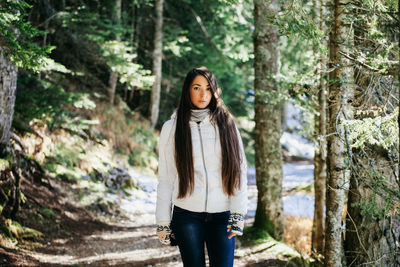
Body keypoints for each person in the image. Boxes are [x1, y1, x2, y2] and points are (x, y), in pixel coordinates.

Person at [155, 66, 248, 267]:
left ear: (214, 91)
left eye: (208, 88)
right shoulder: (172, 128)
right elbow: (166, 177)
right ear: (188, 90)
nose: (203, 94)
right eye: (197, 87)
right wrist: (162, 221)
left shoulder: (226, 124)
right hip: (186, 214)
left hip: (222, 214)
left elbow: (239, 170)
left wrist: (238, 214)